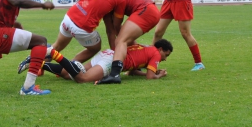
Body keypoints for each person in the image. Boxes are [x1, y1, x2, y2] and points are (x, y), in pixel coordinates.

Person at [17, 0, 131, 75]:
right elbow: (116, 25)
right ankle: (68, 69)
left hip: (69, 17)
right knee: (95, 48)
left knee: (56, 46)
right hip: (83, 27)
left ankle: (36, 63)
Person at [96, 0, 161, 84]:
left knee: (121, 41)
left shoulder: (111, 0)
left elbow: (114, 29)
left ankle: (115, 74)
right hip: (150, 10)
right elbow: (112, 30)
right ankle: (135, 68)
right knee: (124, 39)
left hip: (147, 11)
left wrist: (114, 56)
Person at [40, 39, 173, 83]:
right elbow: (150, 77)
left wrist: (144, 73)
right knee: (83, 78)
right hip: (112, 60)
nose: (165, 59)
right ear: (160, 49)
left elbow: (132, 72)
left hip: (109, 53)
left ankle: (40, 63)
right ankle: (53, 54)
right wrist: (159, 75)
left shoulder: (146, 48)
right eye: (166, 55)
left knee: (66, 74)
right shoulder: (155, 53)